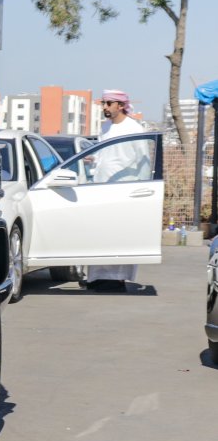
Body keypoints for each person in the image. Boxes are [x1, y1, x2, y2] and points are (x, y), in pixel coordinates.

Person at [86, 89, 148, 291]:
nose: (105, 107)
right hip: (101, 187)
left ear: (121, 105)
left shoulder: (134, 128)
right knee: (100, 233)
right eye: (103, 102)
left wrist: (142, 189)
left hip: (124, 189)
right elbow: (105, 156)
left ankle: (117, 278)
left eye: (109, 103)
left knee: (119, 234)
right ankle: (97, 277)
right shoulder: (105, 127)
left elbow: (144, 160)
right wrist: (93, 159)